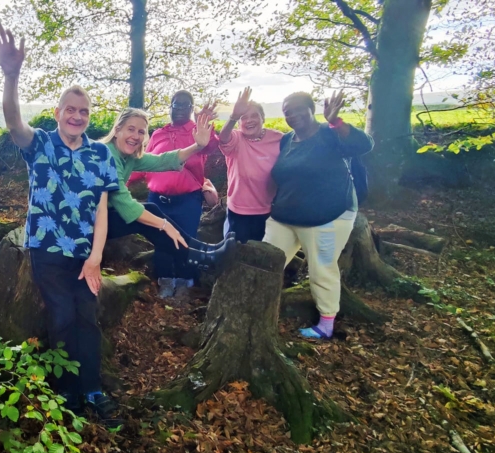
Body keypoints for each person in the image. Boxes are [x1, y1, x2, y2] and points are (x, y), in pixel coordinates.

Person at [0, 22, 122, 427]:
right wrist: (11, 76)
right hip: (47, 249)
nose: (77, 116)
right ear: (57, 113)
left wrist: (97, 256)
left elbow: (101, 208)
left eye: (84, 111)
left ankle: (94, 389)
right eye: (70, 109)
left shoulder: (100, 155)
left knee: (88, 317)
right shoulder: (41, 143)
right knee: (61, 316)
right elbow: (13, 122)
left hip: (86, 253)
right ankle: (66, 393)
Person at [263, 91, 373, 340]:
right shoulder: (287, 140)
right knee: (265, 260)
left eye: (298, 108)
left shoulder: (330, 133)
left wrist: (336, 122)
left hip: (328, 216)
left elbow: (364, 145)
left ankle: (326, 324)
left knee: (321, 268)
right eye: (287, 111)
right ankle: (257, 309)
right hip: (285, 216)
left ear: (311, 109)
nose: (293, 114)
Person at [100, 108, 236, 294]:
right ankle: (202, 257)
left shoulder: (127, 157)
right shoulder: (106, 155)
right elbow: (124, 203)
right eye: (130, 129)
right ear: (117, 130)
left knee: (151, 209)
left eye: (141, 131)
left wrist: (197, 146)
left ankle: (204, 252)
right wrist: (165, 225)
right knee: (151, 216)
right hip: (84, 225)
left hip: (101, 217)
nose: (136, 136)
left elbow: (163, 161)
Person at [129, 92, 221, 297]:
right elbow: (143, 162)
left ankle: (184, 282)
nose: (179, 109)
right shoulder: (158, 134)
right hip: (157, 200)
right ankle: (165, 281)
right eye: (175, 105)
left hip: (187, 200)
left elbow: (212, 146)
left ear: (191, 109)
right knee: (161, 241)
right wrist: (121, 182)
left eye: (184, 105)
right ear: (169, 107)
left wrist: (204, 126)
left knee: (185, 240)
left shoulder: (197, 131)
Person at [218, 87, 283, 243]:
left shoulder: (278, 138)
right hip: (238, 211)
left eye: (254, 116)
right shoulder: (236, 138)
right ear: (239, 123)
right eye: (244, 117)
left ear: (263, 118)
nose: (249, 121)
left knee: (261, 256)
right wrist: (233, 116)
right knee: (235, 253)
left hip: (269, 211)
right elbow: (223, 138)